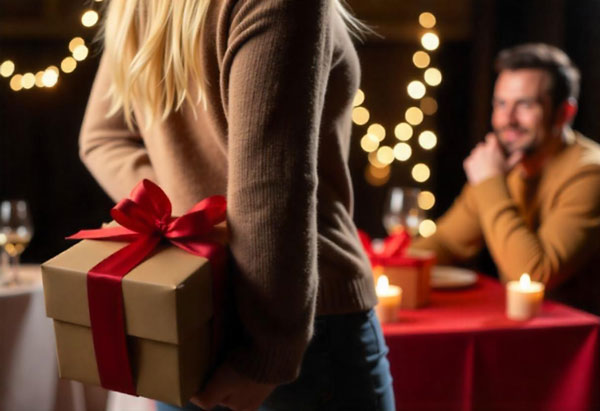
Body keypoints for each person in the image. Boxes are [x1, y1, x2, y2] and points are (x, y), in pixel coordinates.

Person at [78, 0, 395, 410]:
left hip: (191, 313)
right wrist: (268, 354)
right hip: (300, 328)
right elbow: (271, 188)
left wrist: (194, 221)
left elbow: (100, 140)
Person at [413, 43, 600, 314]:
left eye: (524, 104)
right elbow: (444, 244)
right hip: (519, 331)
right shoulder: (507, 164)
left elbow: (533, 276)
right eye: (501, 103)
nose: (507, 119)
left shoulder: (590, 172)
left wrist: (490, 181)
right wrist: (394, 264)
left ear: (564, 113)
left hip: (577, 341)